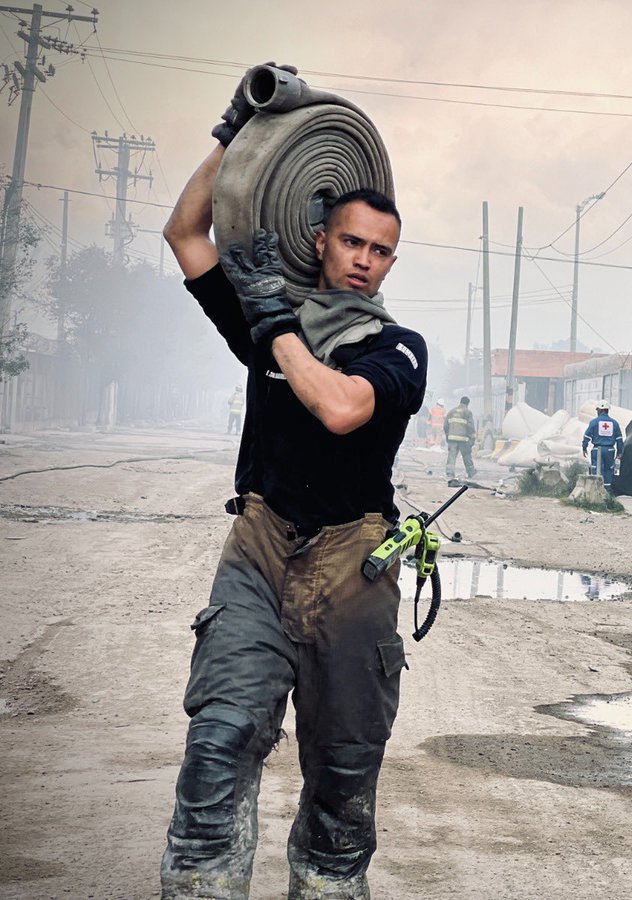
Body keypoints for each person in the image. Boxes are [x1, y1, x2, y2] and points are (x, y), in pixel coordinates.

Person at [159, 63, 428, 898]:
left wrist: (274, 326)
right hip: (261, 544)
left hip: (354, 565)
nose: (366, 262)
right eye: (353, 242)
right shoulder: (275, 314)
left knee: (344, 777)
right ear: (321, 238)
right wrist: (233, 133)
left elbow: (341, 408)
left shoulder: (398, 348)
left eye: (382, 251)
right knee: (220, 742)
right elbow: (186, 234)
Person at [582, 400, 624, 488]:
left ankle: (596, 489)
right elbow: (619, 439)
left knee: (596, 468)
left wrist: (584, 447)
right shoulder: (614, 423)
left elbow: (587, 436)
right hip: (610, 450)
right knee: (608, 470)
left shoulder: (594, 422)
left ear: (599, 410)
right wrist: (620, 452)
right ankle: (607, 491)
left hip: (597, 450)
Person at [444, 395, 476, 481]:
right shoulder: (467, 412)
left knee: (451, 456)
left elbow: (446, 425)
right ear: (467, 404)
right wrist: (472, 438)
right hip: (463, 439)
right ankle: (471, 472)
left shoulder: (451, 412)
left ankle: (450, 473)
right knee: (466, 456)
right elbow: (470, 426)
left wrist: (447, 435)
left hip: (452, 438)